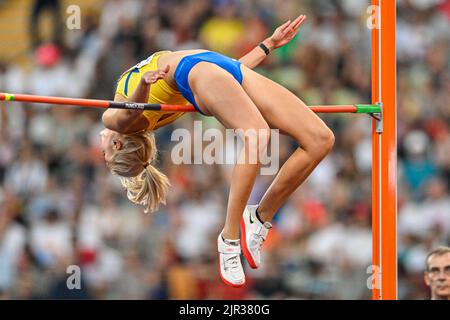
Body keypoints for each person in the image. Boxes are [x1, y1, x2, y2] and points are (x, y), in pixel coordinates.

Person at [100, 15, 335, 287]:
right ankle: (229, 238)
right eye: (105, 155)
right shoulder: (116, 121)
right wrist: (144, 84)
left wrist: (268, 45)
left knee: (320, 139)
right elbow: (130, 112)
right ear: (117, 145)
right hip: (199, 73)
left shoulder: (144, 118)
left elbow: (223, 80)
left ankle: (259, 216)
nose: (101, 146)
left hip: (223, 68)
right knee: (257, 136)